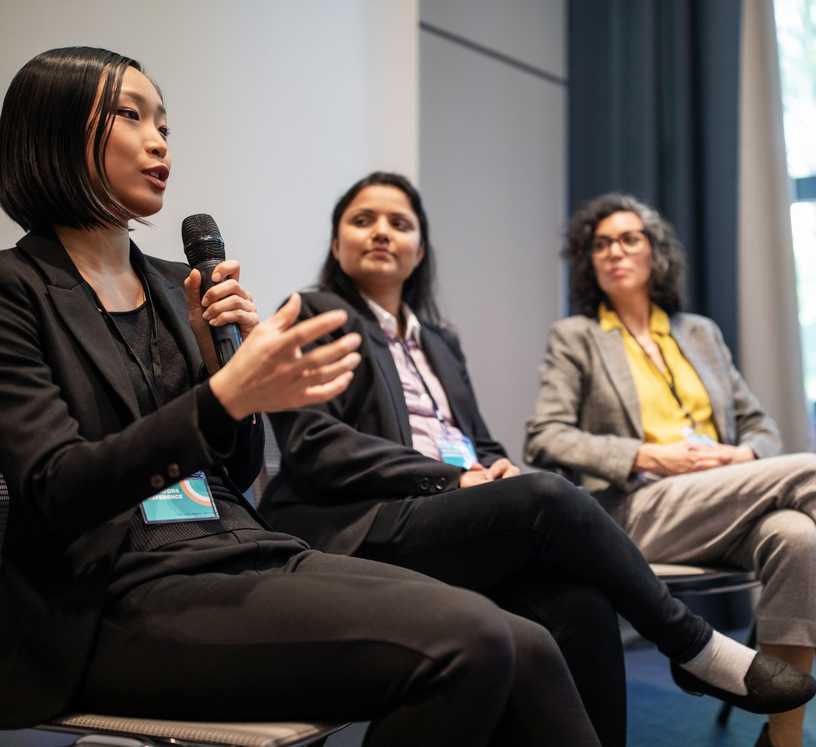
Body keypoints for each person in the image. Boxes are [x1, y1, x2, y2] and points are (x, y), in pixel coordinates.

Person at [0, 46, 607, 747]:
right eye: (129, 116)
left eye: (164, 120)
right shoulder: (16, 290)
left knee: (524, 639)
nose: (159, 139)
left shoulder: (176, 284)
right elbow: (52, 490)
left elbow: (232, 469)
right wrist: (223, 395)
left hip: (234, 548)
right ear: (51, 130)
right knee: (467, 643)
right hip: (111, 597)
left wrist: (221, 376)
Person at [258, 171, 816, 744]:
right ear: (335, 243)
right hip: (362, 523)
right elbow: (314, 444)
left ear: (419, 250)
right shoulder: (313, 315)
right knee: (547, 493)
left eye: (399, 223)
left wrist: (493, 468)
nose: (381, 232)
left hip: (440, 518)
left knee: (583, 606)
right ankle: (692, 645)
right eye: (362, 221)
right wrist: (453, 478)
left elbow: (480, 441)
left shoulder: (439, 341)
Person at [525, 192, 816, 747]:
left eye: (630, 238)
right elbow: (545, 436)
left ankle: (783, 739)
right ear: (589, 261)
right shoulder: (576, 337)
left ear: (656, 253)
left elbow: (759, 424)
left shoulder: (698, 332)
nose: (615, 252)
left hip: (719, 497)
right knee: (815, 472)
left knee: (797, 536)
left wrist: (742, 455)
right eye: (601, 244)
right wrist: (647, 454)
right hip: (637, 508)